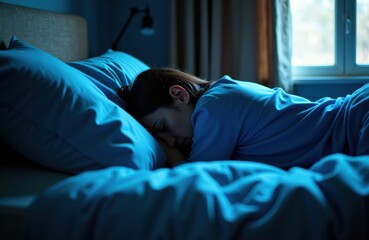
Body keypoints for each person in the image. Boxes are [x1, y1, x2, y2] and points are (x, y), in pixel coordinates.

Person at [119, 67, 369, 168]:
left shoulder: (213, 109)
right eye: (160, 138)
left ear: (179, 95)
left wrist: (165, 151)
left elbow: (195, 176)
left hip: (356, 123)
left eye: (162, 127)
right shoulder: (221, 93)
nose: (170, 141)